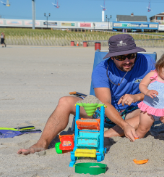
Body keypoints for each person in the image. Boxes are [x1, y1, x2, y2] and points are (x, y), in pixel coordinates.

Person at [17, 34, 155, 155]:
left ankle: (101, 136)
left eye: (131, 56)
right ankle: (42, 143)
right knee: (65, 101)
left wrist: (137, 97)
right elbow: (104, 103)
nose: (127, 61)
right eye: (121, 57)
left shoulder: (147, 63)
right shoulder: (102, 70)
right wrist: (124, 126)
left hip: (131, 112)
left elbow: (160, 92)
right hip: (103, 111)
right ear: (112, 57)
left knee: (148, 114)